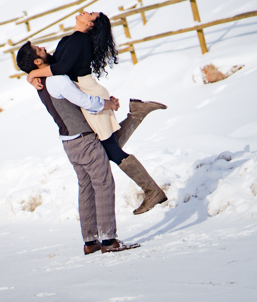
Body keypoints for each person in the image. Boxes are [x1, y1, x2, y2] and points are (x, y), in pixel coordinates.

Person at [23, 11, 167, 214]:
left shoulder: (80, 39)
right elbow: (54, 64)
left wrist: (33, 74)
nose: (85, 11)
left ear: (90, 25)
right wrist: (32, 75)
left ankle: (152, 190)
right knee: (107, 148)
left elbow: (61, 68)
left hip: (88, 93)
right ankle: (137, 113)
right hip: (85, 92)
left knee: (109, 150)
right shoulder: (68, 39)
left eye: (90, 14)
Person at [16, 41, 140, 255]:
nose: (45, 47)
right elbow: (84, 101)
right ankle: (108, 240)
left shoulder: (41, 81)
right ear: (38, 61)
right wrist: (108, 104)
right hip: (83, 139)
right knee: (104, 184)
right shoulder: (56, 80)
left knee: (87, 188)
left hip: (68, 141)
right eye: (40, 49)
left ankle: (90, 241)